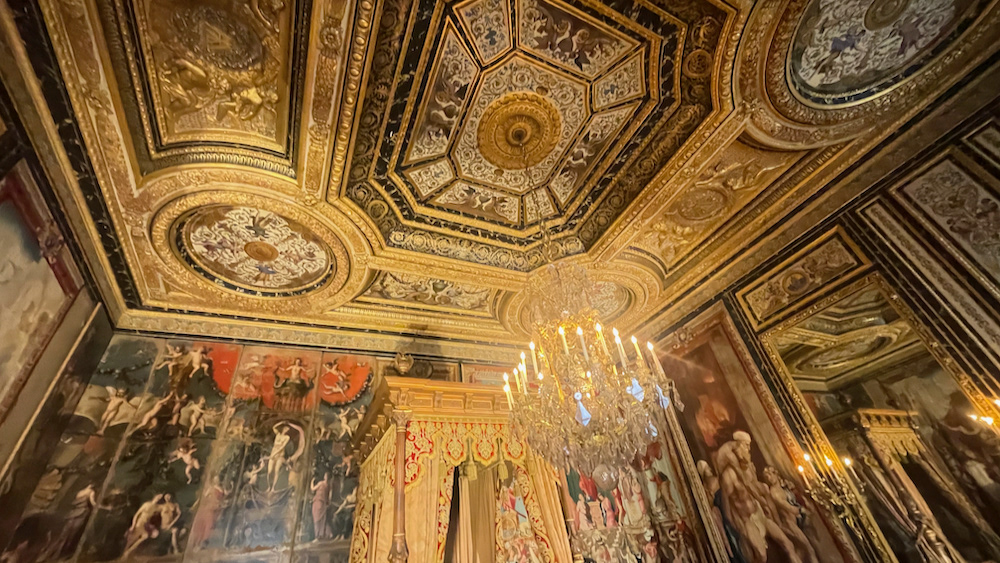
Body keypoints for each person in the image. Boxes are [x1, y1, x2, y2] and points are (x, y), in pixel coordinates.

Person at [716, 432, 801, 563]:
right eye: (746, 446)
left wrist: (765, 504)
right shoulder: (729, 476)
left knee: (788, 544)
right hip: (747, 521)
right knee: (761, 556)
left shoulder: (748, 469)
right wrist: (738, 529)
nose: (748, 449)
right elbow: (726, 505)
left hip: (760, 514)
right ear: (738, 446)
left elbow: (754, 489)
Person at [310, 473, 331, 540]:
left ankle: (318, 535)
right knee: (320, 519)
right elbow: (329, 496)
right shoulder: (326, 485)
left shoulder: (322, 484)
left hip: (319, 502)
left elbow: (313, 489)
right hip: (321, 503)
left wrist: (312, 481)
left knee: (318, 519)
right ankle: (319, 535)